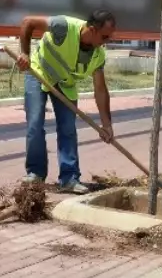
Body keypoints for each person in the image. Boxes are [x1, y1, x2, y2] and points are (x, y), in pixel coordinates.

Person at [16, 10, 117, 194]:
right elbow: (28, 21)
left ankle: (69, 179)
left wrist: (107, 125)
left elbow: (100, 91)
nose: (107, 41)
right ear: (92, 30)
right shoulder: (64, 26)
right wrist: (24, 53)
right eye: (104, 36)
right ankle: (35, 174)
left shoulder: (98, 55)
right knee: (35, 123)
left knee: (68, 128)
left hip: (65, 84)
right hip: (39, 72)